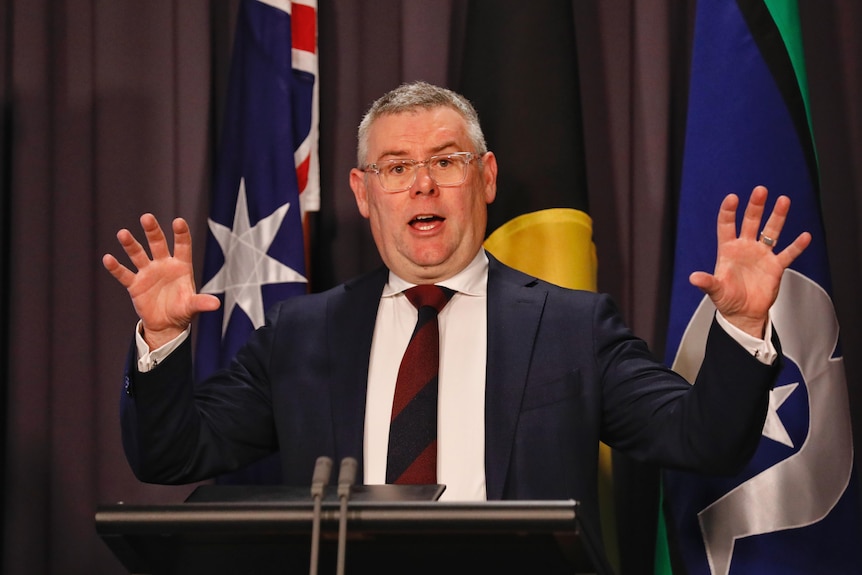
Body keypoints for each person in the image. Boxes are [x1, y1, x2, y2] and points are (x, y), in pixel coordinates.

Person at [103, 81, 810, 564]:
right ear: (361, 191)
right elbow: (172, 455)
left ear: (488, 177)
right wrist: (162, 344)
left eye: (447, 160)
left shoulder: (573, 326)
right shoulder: (300, 336)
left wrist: (743, 326)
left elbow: (703, 437)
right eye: (396, 166)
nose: (422, 184)